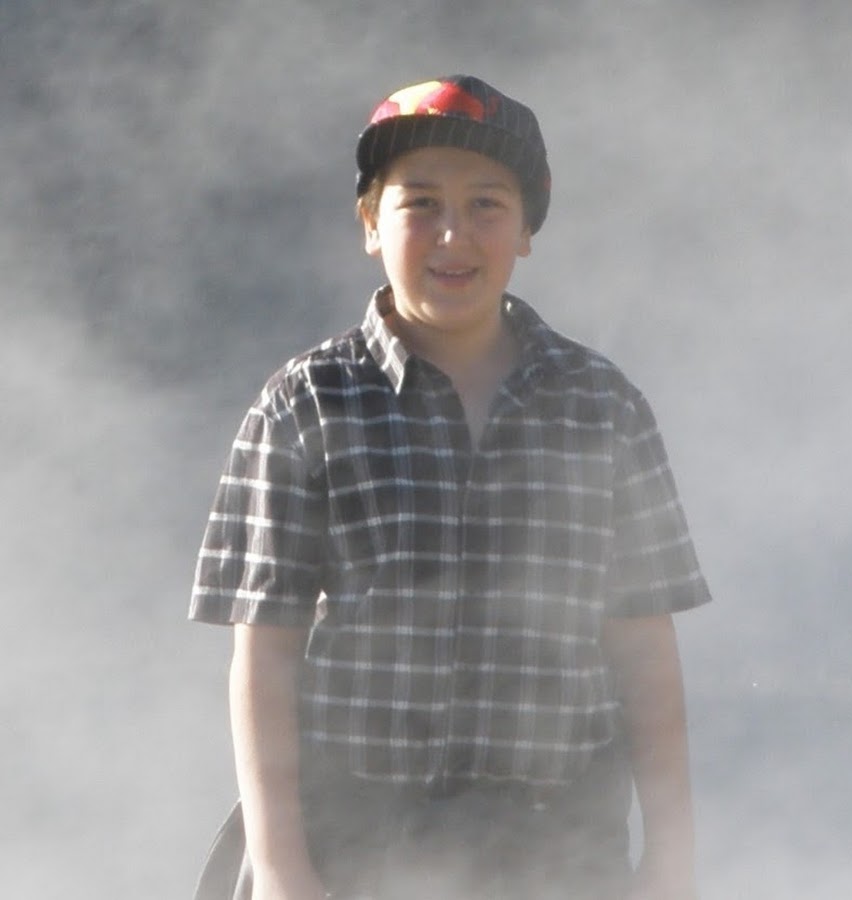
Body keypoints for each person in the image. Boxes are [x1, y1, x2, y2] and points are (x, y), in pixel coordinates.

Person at [189, 74, 711, 900]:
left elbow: (643, 645)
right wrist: (284, 869)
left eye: (486, 205)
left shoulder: (600, 406)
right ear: (370, 223)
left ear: (528, 229)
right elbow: (266, 655)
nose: (452, 234)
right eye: (420, 203)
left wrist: (672, 857)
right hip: (349, 845)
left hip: (555, 846)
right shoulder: (307, 402)